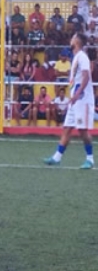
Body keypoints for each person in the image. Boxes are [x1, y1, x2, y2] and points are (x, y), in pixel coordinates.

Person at [45, 33, 95, 169]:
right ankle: (57, 157)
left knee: (82, 130)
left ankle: (90, 159)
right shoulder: (76, 57)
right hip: (75, 100)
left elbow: (86, 77)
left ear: (77, 41)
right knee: (67, 128)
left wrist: (77, 94)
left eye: (73, 38)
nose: (70, 40)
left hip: (82, 100)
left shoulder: (82, 57)